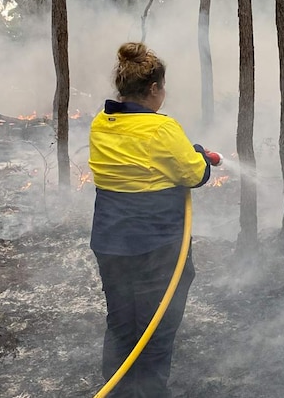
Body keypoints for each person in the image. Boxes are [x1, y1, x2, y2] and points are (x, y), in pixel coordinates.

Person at [89, 42, 212, 398]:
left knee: (121, 322)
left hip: (110, 242)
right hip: (156, 245)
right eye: (163, 87)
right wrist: (200, 157)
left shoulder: (102, 123)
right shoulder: (163, 129)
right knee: (157, 325)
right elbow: (193, 174)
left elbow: (143, 161)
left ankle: (116, 388)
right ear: (154, 89)